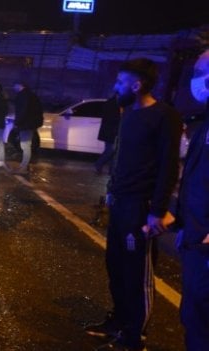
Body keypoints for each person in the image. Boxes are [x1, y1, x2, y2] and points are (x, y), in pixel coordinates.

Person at [84, 58, 182, 351]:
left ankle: (134, 335)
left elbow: (168, 166)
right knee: (115, 265)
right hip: (121, 203)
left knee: (137, 272)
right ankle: (119, 321)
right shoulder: (128, 114)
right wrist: (111, 191)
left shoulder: (165, 116)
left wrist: (157, 211)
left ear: (136, 85)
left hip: (142, 207)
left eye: (120, 82)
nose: (115, 87)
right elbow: (122, 158)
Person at [176, 49, 209, 351]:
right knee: (194, 317)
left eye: (203, 72)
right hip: (196, 238)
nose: (199, 81)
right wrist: (182, 222)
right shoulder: (205, 126)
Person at [11, 81, 43, 174]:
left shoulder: (24, 96)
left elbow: (23, 111)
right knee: (25, 145)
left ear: (21, 85)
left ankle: (24, 167)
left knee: (25, 145)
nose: (14, 87)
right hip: (29, 124)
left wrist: (17, 122)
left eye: (15, 85)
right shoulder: (30, 95)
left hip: (26, 125)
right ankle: (23, 166)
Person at [94, 94, 122, 175]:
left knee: (113, 151)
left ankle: (112, 170)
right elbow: (112, 118)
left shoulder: (114, 103)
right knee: (111, 150)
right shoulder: (112, 103)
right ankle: (99, 163)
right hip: (111, 131)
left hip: (111, 131)